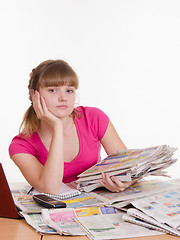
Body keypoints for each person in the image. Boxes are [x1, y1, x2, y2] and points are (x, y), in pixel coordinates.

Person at [9, 59, 137, 195]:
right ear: (34, 95)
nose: (63, 97)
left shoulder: (93, 118)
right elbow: (50, 189)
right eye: (53, 90)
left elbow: (131, 168)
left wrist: (126, 182)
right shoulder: (21, 145)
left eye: (69, 90)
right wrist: (57, 127)